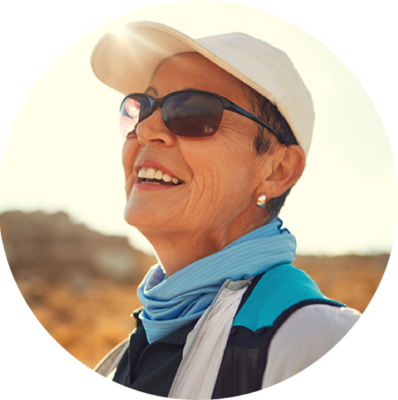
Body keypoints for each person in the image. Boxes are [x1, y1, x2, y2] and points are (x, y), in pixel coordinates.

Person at [90, 21, 362, 398]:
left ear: (278, 170)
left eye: (192, 112)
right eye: (140, 108)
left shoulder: (316, 341)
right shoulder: (124, 356)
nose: (147, 129)